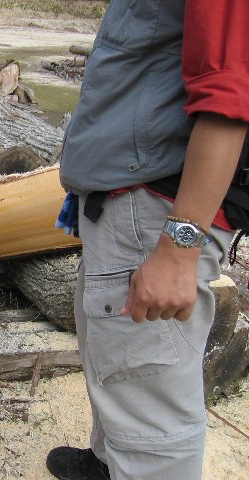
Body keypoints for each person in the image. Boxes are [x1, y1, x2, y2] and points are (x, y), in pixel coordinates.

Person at [47, 1, 249, 479]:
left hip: (159, 210)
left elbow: (229, 95)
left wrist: (178, 247)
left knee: (152, 416)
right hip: (132, 205)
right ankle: (106, 463)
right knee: (113, 359)